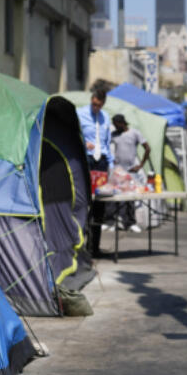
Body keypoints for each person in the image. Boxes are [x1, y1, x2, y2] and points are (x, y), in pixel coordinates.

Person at [77, 82, 112, 255]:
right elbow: (74, 135)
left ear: (103, 104)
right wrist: (85, 143)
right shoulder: (80, 114)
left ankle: (95, 247)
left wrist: (110, 165)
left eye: (98, 105)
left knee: (100, 204)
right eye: (93, 104)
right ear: (91, 101)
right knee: (85, 201)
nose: (95, 107)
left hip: (102, 161)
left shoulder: (106, 117)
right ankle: (82, 246)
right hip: (88, 159)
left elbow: (107, 143)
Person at [110, 113, 151, 233]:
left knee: (130, 198)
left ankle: (130, 222)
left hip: (131, 169)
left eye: (117, 125)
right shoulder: (114, 135)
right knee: (117, 197)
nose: (116, 128)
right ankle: (115, 221)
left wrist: (141, 165)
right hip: (118, 170)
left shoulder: (134, 133)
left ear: (123, 123)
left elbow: (147, 148)